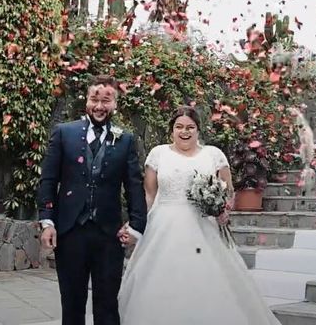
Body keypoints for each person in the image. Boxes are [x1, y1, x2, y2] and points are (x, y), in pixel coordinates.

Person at [118, 106, 281, 325]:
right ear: (171, 130)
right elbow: (149, 194)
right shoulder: (158, 154)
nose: (184, 132)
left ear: (198, 130)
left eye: (190, 127)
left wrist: (223, 209)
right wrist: (135, 223)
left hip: (204, 227)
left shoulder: (213, 154)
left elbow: (229, 191)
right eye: (179, 127)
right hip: (162, 227)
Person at [37, 75, 147, 325]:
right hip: (70, 231)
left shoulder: (126, 139)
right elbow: (48, 180)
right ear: (86, 100)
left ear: (115, 103)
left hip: (109, 234)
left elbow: (134, 185)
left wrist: (136, 226)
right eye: (94, 99)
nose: (99, 106)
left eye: (106, 100)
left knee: (108, 305)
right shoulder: (64, 133)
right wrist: (47, 221)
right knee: (72, 304)